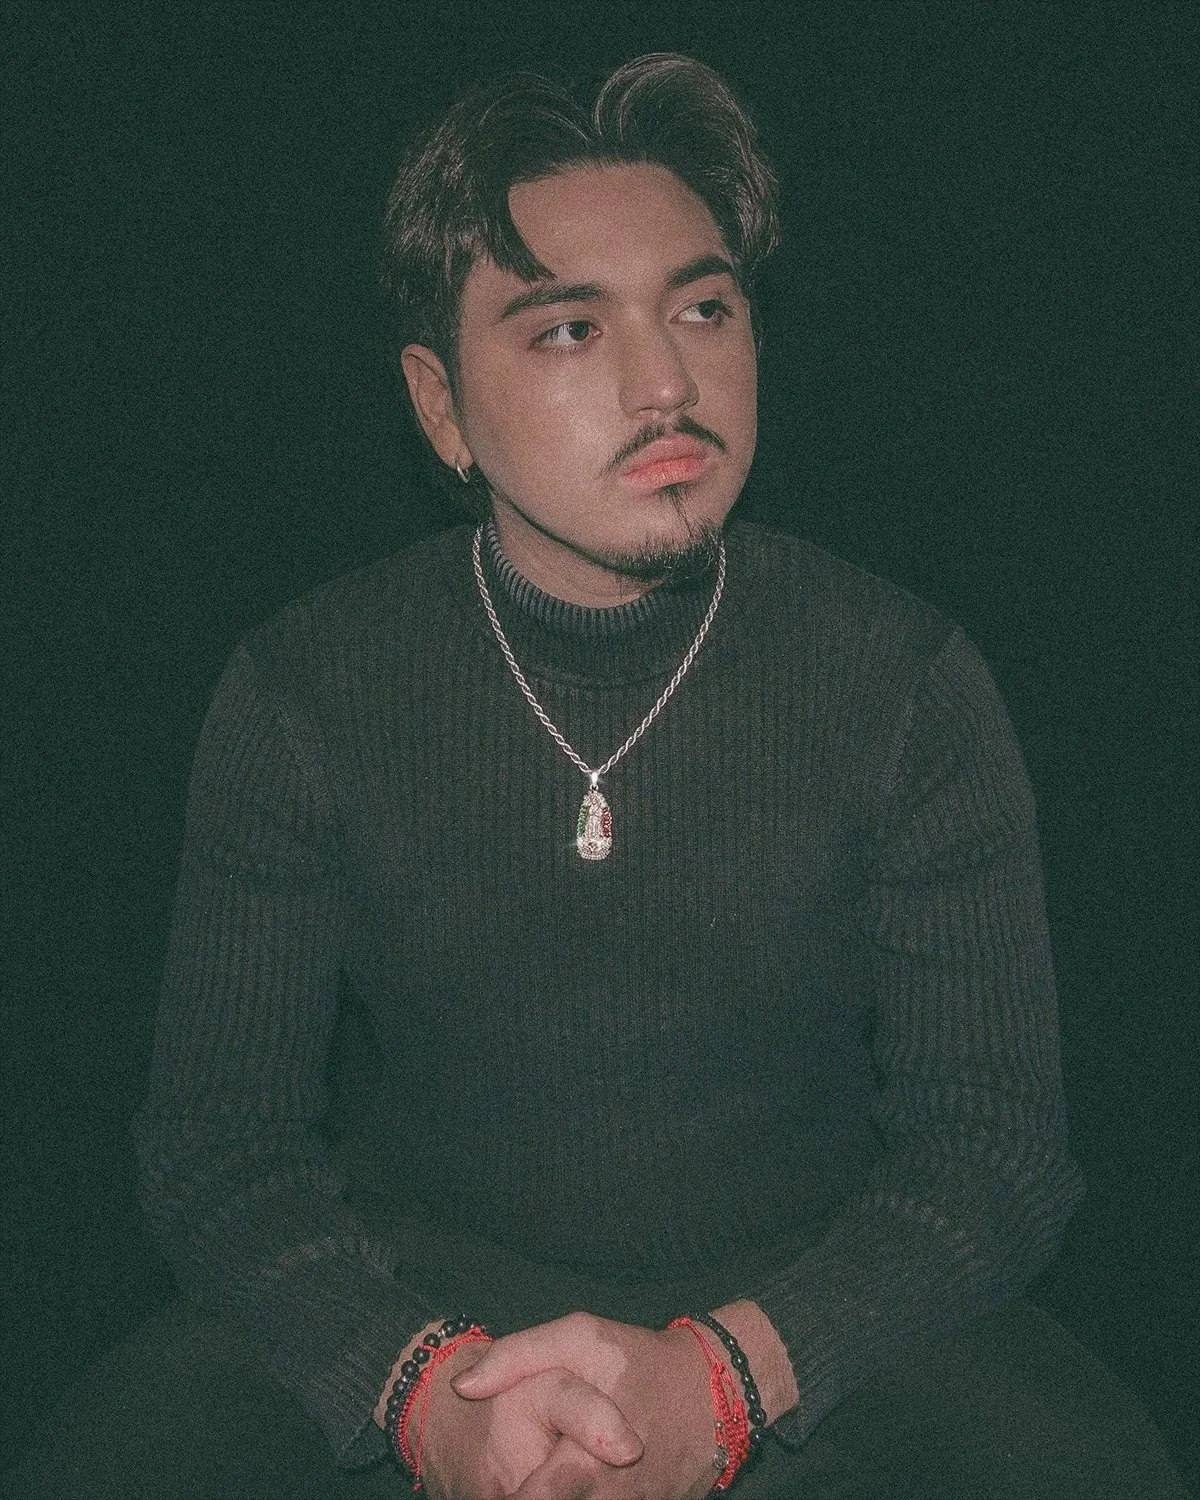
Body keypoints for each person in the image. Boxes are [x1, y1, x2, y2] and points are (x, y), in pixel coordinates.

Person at [10, 52, 1187, 1500]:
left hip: (816, 1312)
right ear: (441, 408)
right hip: (418, 1306)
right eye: (568, 330)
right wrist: (421, 1393)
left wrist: (734, 1377)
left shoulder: (903, 682)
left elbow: (996, 1159)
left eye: (703, 307)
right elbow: (217, 1148)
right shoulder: (305, 689)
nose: (667, 379)